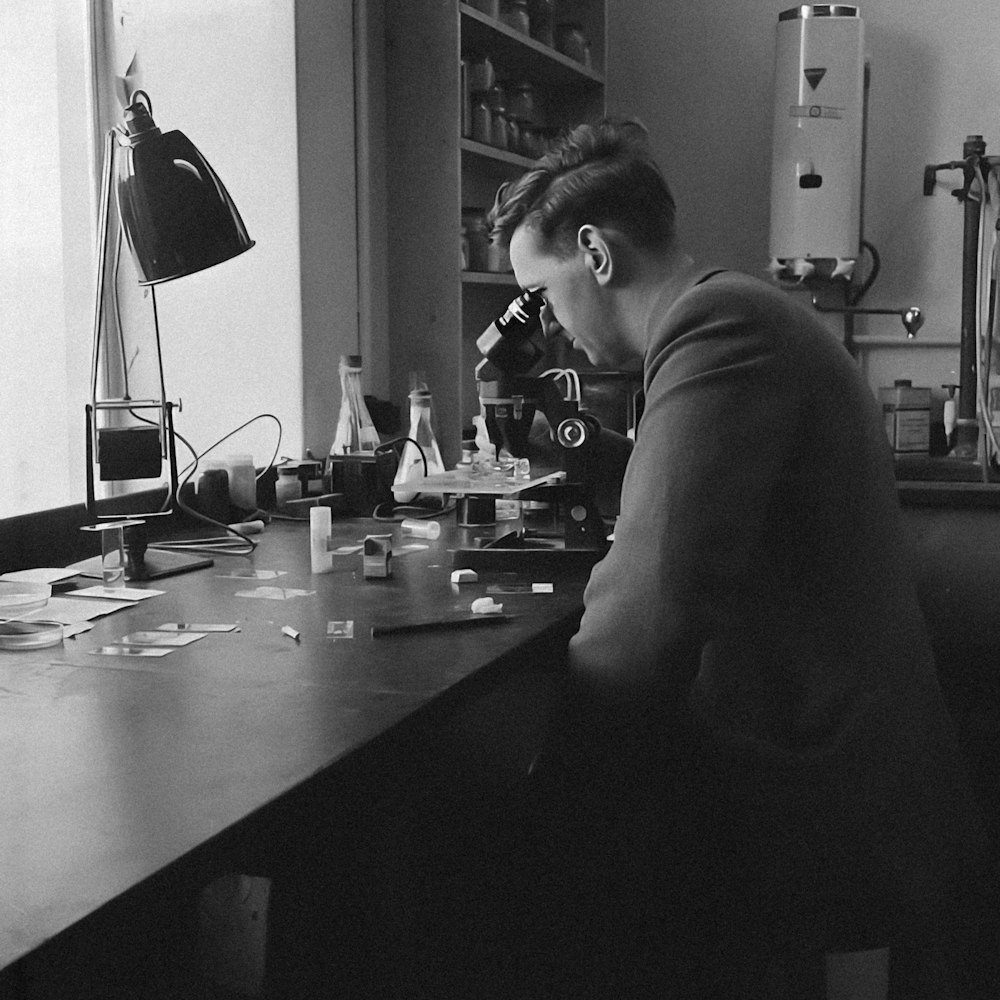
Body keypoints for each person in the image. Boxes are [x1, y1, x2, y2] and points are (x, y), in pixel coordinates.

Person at [487, 119, 996, 997]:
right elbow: (707, 494)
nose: (551, 327)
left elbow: (654, 608)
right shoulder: (736, 312)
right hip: (831, 744)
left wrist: (543, 771)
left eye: (541, 293)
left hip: (832, 789)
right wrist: (591, 453)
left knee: (515, 856)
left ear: (596, 254)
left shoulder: (719, 325)